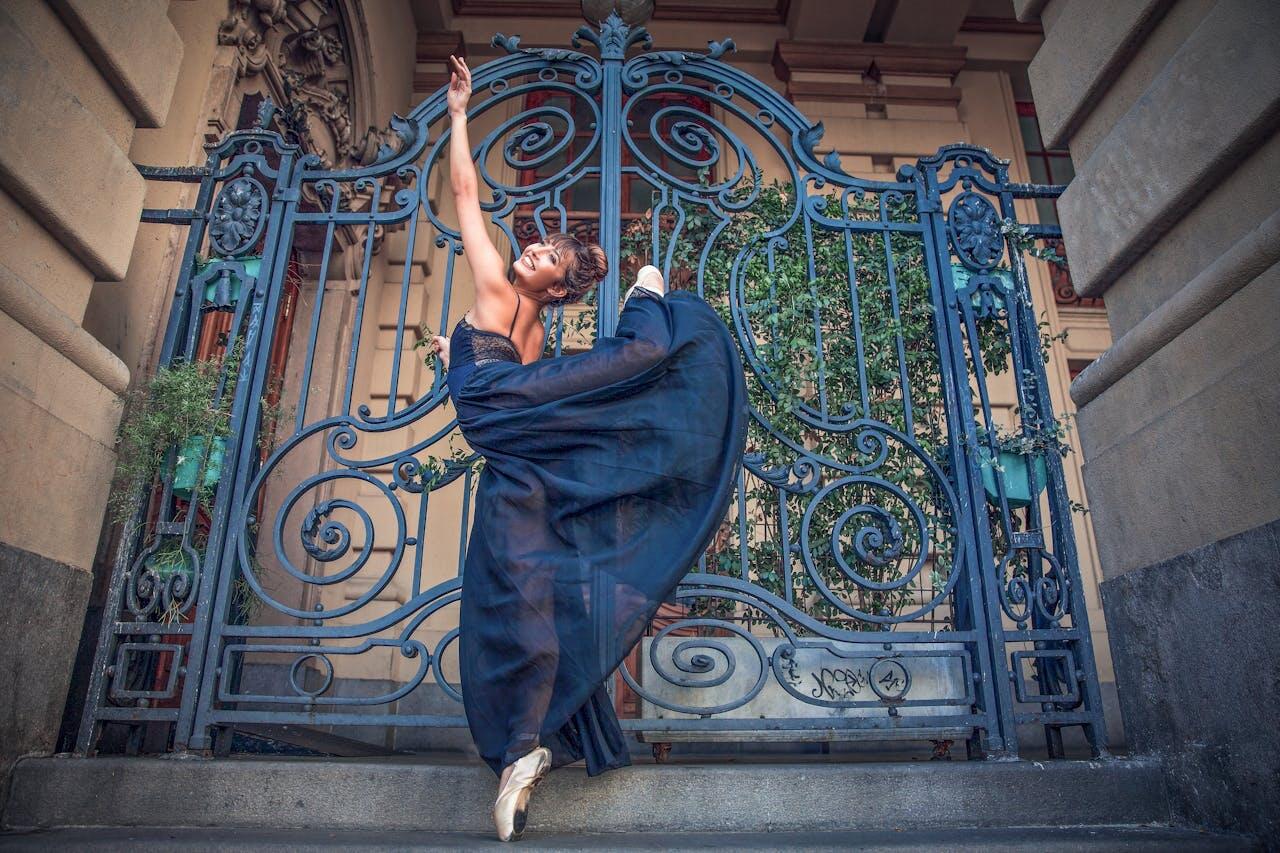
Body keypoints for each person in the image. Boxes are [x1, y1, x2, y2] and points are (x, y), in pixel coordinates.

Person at [430, 55, 748, 843]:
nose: (528, 250)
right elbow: (517, 402)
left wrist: (459, 112)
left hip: (509, 454)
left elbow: (466, 195)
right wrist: (456, 355)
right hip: (521, 462)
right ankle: (527, 749)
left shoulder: (500, 297)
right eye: (534, 246)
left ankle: (519, 750)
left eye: (542, 258)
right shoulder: (526, 336)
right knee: (533, 602)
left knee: (511, 609)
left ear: (554, 291)